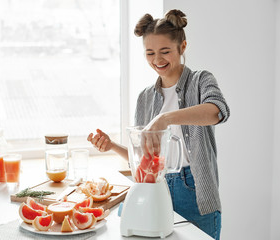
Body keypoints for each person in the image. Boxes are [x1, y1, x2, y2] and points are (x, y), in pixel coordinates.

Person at [87, 9, 230, 240]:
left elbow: (218, 111)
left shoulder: (201, 80)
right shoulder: (145, 97)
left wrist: (165, 118)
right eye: (150, 53)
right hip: (155, 188)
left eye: (165, 51)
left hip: (195, 191)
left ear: (182, 47)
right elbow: (144, 158)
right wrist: (112, 145)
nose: (157, 60)